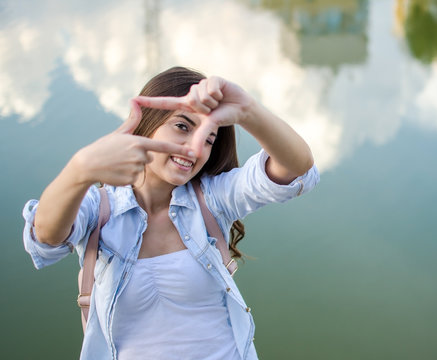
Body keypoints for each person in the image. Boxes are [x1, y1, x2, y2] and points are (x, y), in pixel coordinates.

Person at [22, 66, 319, 360]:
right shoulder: (98, 209)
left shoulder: (212, 200)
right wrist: (80, 169)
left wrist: (248, 110)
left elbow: (296, 169)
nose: (194, 148)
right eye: (182, 127)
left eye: (208, 139)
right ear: (147, 123)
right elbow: (45, 238)